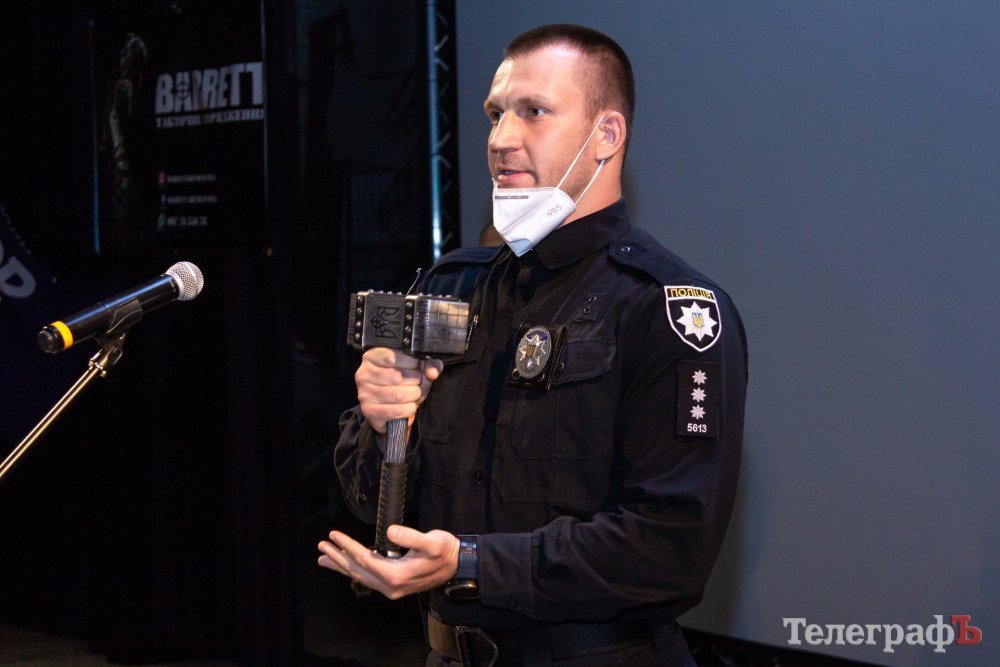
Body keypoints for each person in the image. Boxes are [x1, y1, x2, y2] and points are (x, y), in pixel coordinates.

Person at [319, 24, 748, 666]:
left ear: (607, 135)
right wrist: (383, 427)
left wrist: (471, 563)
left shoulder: (667, 309)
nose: (500, 139)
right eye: (495, 114)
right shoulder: (450, 288)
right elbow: (371, 503)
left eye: (534, 112)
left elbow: (670, 551)